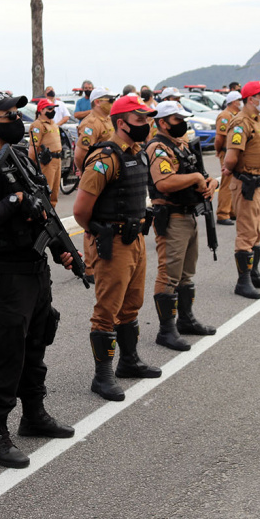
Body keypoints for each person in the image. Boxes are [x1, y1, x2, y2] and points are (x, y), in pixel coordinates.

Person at [0, 92, 76, 469]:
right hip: (4, 274)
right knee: (5, 354)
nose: (17, 120)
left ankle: (34, 414)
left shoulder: (21, 158)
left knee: (36, 344)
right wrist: (14, 201)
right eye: (10, 115)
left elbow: (42, 209)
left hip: (34, 269)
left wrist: (62, 250)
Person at [73, 95, 161, 402]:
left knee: (131, 304)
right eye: (140, 120)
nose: (146, 125)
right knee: (107, 310)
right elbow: (81, 210)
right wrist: (99, 233)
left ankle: (129, 361)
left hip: (135, 239)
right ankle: (103, 376)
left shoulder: (137, 153)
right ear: (121, 123)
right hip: (114, 242)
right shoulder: (105, 158)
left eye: (148, 119)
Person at [145, 101, 217, 353]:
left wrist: (211, 182)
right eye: (177, 119)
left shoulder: (181, 145)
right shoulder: (158, 147)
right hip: (172, 216)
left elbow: (198, 172)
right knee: (169, 274)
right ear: (163, 122)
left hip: (189, 214)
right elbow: (164, 182)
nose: (183, 124)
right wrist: (196, 178)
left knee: (186, 273)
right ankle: (166, 330)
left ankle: (186, 320)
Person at [222, 81, 260, 300]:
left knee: (256, 231)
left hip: (259, 184)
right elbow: (231, 157)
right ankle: (242, 281)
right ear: (251, 98)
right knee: (246, 232)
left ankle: (254, 274)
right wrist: (231, 170)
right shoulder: (240, 123)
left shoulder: (257, 120)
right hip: (247, 184)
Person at [73, 87, 117, 286]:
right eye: (110, 99)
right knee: (91, 220)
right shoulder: (90, 123)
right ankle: (89, 266)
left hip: (107, 176)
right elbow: (80, 154)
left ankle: (99, 259)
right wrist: (87, 173)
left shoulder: (107, 120)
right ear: (98, 101)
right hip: (95, 176)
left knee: (104, 216)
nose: (113, 102)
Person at [28, 98, 63, 207]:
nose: (53, 111)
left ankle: (52, 216)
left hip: (57, 160)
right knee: (46, 191)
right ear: (42, 110)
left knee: (55, 193)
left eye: (53, 108)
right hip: (47, 162)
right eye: (50, 108)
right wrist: (32, 167)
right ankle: (44, 216)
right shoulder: (38, 125)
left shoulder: (53, 124)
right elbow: (33, 147)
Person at [214, 91, 242, 225]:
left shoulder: (236, 115)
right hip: (227, 152)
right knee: (227, 183)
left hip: (234, 152)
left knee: (233, 183)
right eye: (239, 100)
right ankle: (222, 213)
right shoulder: (225, 116)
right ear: (233, 102)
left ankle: (231, 211)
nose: (241, 102)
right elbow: (220, 137)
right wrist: (219, 150)